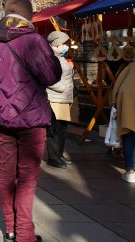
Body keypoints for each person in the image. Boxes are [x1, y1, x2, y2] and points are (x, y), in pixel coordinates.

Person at [0, 0, 62, 242]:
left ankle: (10, 229)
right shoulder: (34, 41)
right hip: (31, 119)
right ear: (28, 15)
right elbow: (51, 76)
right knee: (27, 178)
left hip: (4, 119)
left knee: (7, 175)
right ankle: (25, 234)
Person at [45, 31, 77, 169]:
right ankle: (53, 157)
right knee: (55, 128)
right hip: (55, 98)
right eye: (63, 43)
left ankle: (59, 154)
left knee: (62, 128)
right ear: (56, 44)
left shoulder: (60, 57)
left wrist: (71, 70)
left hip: (64, 98)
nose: (66, 46)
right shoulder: (51, 58)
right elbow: (47, 79)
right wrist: (62, 87)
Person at [110, 61, 135, 184]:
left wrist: (113, 103)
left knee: (129, 133)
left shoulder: (131, 66)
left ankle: (130, 172)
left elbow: (117, 85)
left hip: (128, 101)